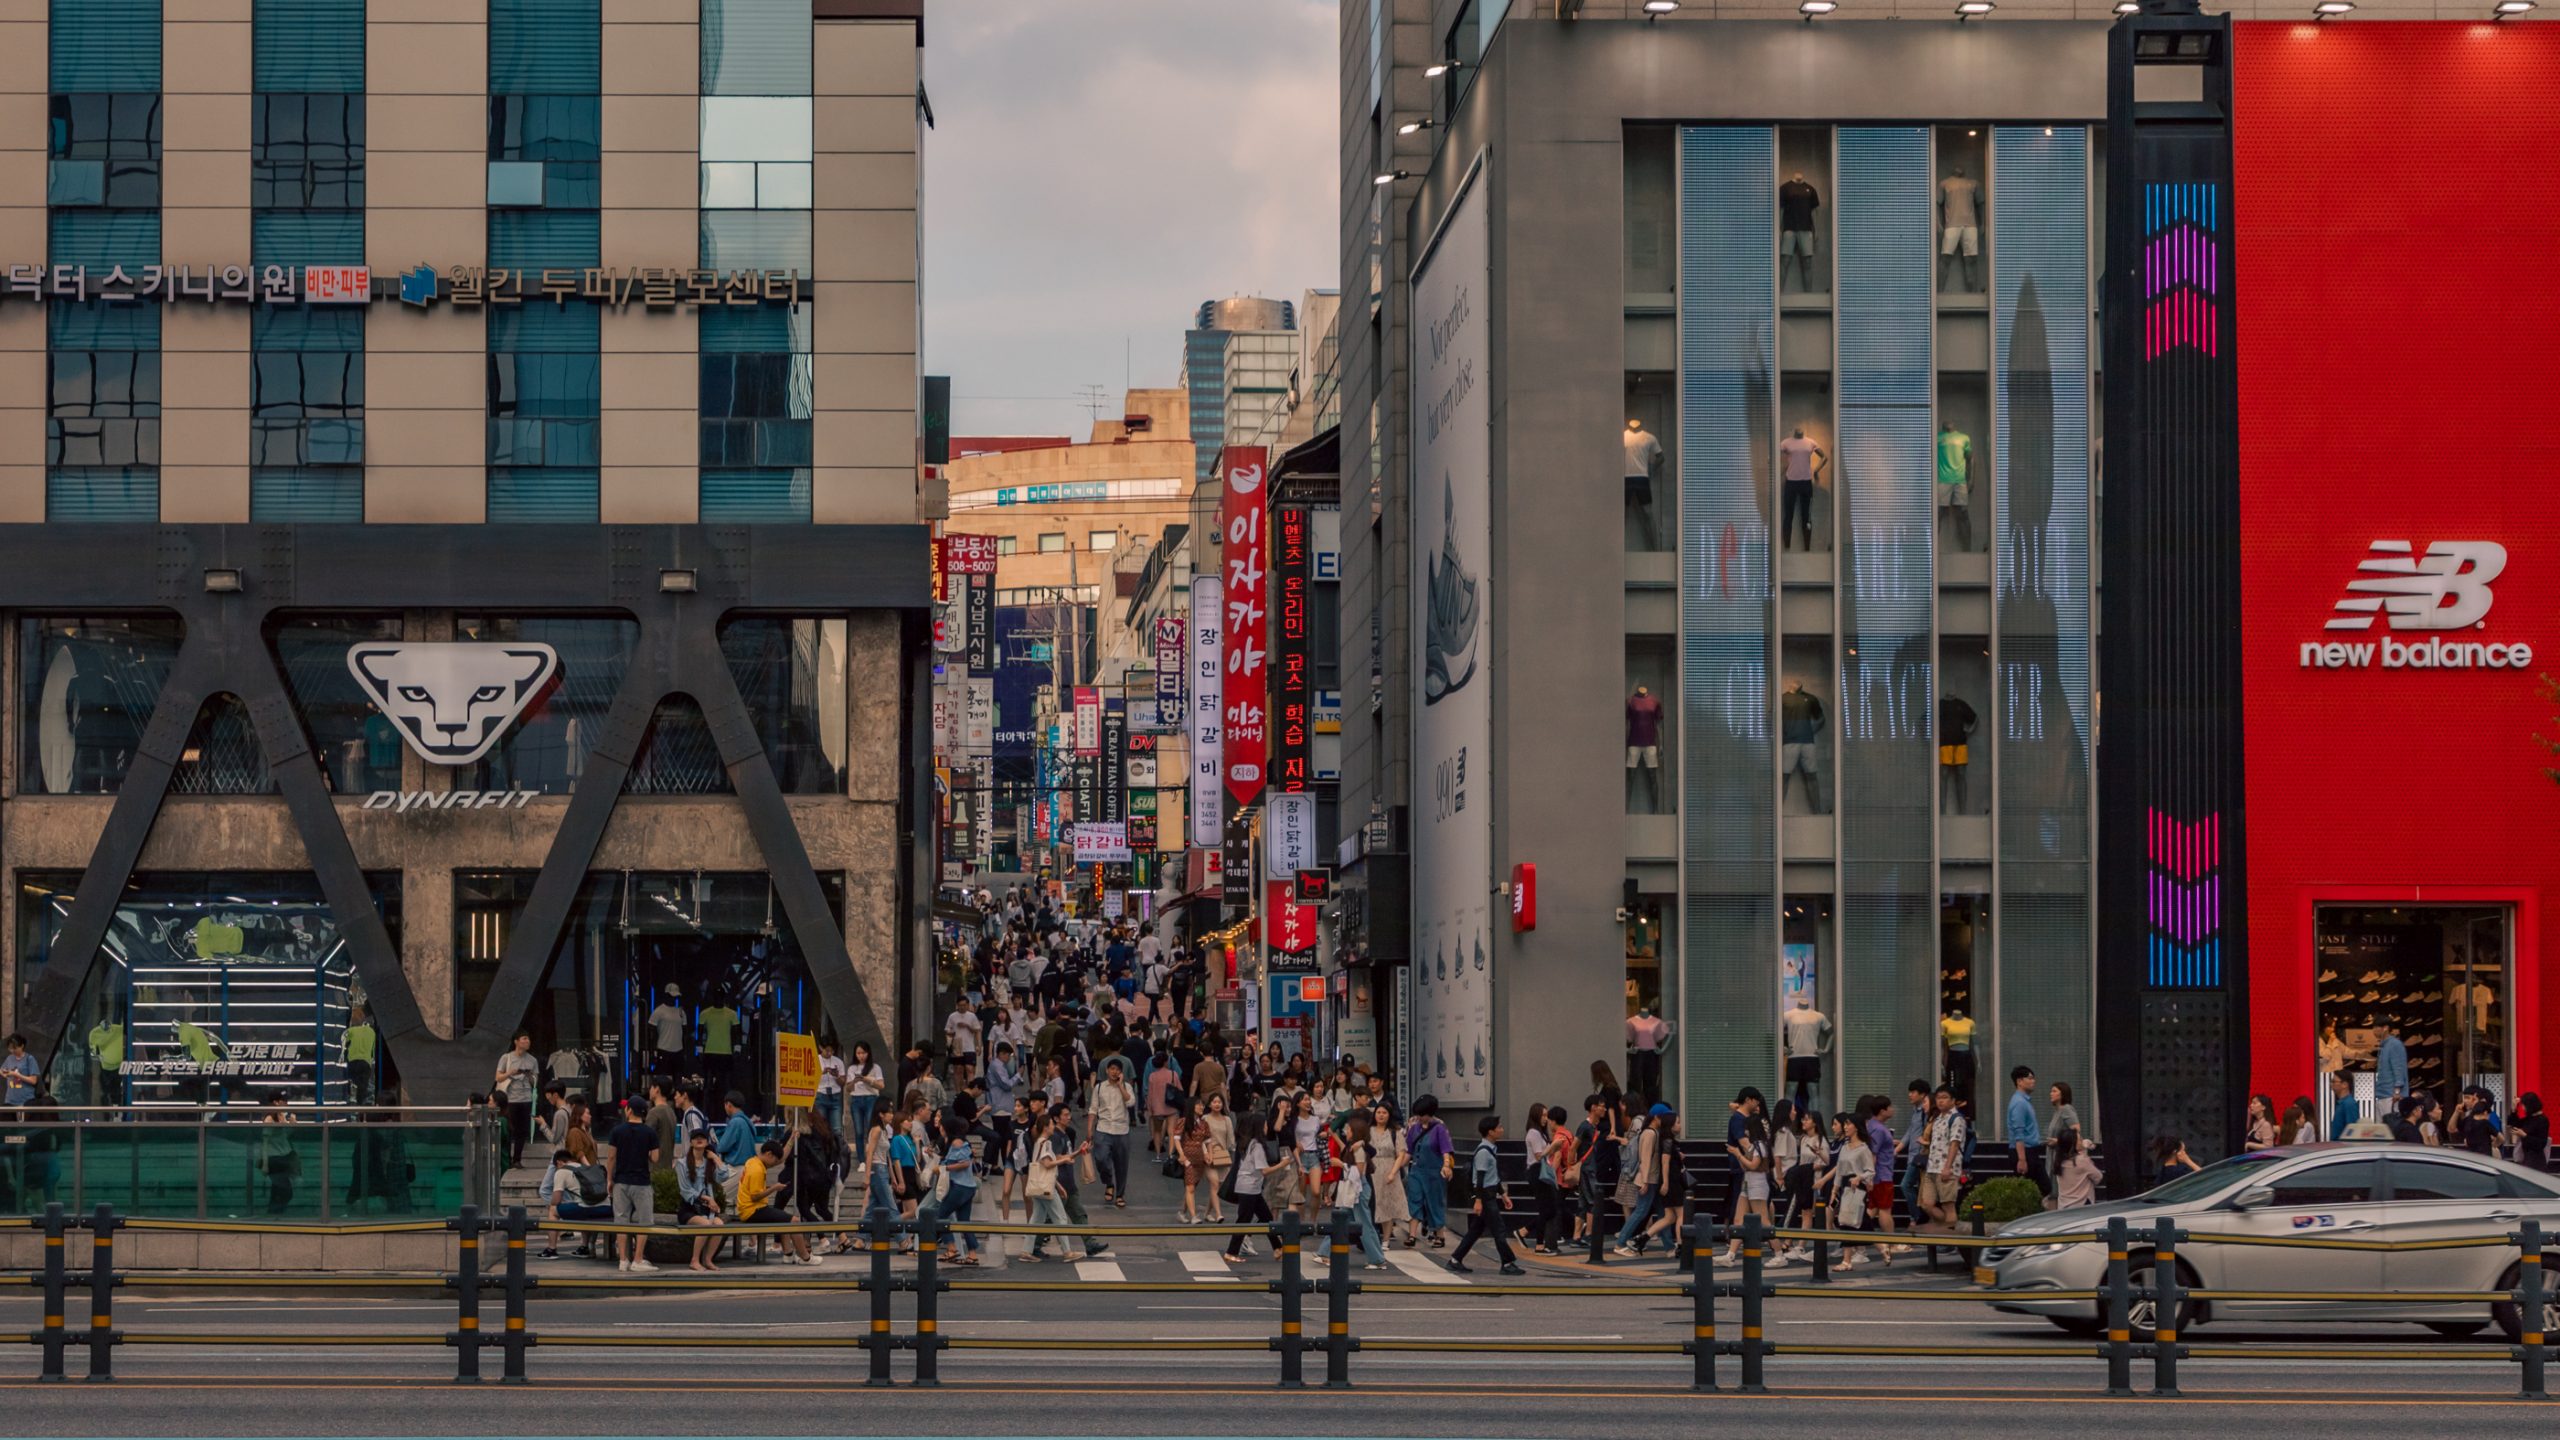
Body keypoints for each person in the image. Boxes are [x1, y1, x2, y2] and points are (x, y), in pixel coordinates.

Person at [1448, 1114, 1524, 1276]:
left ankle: (1455, 1259)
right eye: (1499, 1127)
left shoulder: (1490, 1149)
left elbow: (1492, 1177)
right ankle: (1508, 1262)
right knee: (1499, 1230)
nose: (1501, 1129)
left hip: (1489, 1194)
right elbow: (1480, 1179)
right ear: (1490, 1132)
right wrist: (1479, 1200)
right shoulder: (1484, 1152)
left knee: (1475, 1230)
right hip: (1485, 1196)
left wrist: (1503, 1195)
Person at [602, 1099, 662, 1273]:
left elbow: (611, 1157)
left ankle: (623, 1259)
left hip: (621, 1181)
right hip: (642, 1182)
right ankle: (638, 1258)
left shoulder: (617, 1131)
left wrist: (609, 1179)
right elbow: (655, 1158)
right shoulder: (650, 1133)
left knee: (621, 1220)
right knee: (645, 1221)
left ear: (628, 1110)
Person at [738, 1140, 810, 1264]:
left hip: (749, 1209)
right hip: (752, 1211)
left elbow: (781, 1159)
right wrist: (774, 1188)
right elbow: (755, 1197)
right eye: (775, 1160)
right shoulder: (757, 1169)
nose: (776, 1163)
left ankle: (788, 1254)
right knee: (794, 1220)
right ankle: (806, 1257)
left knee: (782, 1217)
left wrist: (792, 1139)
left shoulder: (753, 1161)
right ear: (769, 1154)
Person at [673, 1130, 733, 1272]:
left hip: (707, 1209)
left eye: (702, 1138)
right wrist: (707, 1198)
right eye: (695, 1138)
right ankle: (694, 1260)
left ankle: (707, 1260)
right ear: (691, 1142)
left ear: (707, 1142)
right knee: (705, 1225)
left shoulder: (709, 1163)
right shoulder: (682, 1163)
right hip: (689, 1209)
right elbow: (685, 1191)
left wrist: (715, 1158)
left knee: (719, 1225)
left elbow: (724, 1175)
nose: (699, 1140)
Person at [543, 1144, 613, 1259]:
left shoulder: (561, 1172)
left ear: (559, 1162)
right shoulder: (583, 1167)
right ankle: (584, 1247)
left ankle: (551, 1249)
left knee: (553, 1210)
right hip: (605, 1207)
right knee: (581, 1206)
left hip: (586, 1209)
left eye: (556, 1166)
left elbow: (556, 1200)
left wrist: (554, 1203)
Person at [1613, 1107, 1667, 1257]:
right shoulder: (1650, 1133)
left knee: (1663, 1214)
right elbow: (1645, 1159)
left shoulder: (1652, 1132)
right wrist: (1644, 1181)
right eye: (1664, 1117)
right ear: (1656, 1117)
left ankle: (1669, 1246)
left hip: (1651, 1179)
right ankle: (1620, 1243)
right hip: (1648, 1180)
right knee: (1641, 1212)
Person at [1223, 1114, 1274, 1264]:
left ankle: (1278, 1248)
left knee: (1267, 1218)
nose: (1267, 1127)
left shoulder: (1250, 1142)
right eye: (1265, 1124)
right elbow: (1264, 1170)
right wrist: (1283, 1165)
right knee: (1244, 1220)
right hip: (1249, 1187)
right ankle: (1231, 1252)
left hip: (1251, 1187)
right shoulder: (1256, 1145)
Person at [1404, 1096, 1453, 1247]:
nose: (1419, 1117)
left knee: (1434, 1202)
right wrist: (1396, 1168)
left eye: (1422, 1114)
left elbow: (1446, 1150)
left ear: (1430, 1113)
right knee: (1414, 1200)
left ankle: (1439, 1234)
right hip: (1417, 1170)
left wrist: (1446, 1166)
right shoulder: (1414, 1129)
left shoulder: (1439, 1128)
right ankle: (1412, 1235)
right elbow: (1408, 1151)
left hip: (1434, 1172)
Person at [1918, 1086, 1967, 1230]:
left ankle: (1949, 1238)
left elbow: (1955, 1143)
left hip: (1947, 1168)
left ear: (1953, 1100)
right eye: (1938, 1098)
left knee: (1948, 1205)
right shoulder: (1938, 1119)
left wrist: (1947, 1167)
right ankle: (1948, 1229)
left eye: (1945, 1098)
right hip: (1932, 1167)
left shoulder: (1957, 1119)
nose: (1940, 1101)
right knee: (1926, 1203)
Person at [1091, 1057, 1136, 1206]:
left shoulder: (1127, 1087)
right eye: (1112, 1069)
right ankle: (1109, 1182)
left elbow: (1130, 1103)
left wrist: (1121, 1085)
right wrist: (1089, 1129)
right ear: (1107, 1070)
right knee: (1101, 1158)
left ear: (1121, 1072)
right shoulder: (1099, 1088)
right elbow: (1093, 1109)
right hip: (1103, 1128)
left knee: (1122, 1164)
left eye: (1117, 1070)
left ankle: (1120, 1194)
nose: (1114, 1072)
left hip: (1121, 1129)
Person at [493, 1033, 540, 1168]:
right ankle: (506, 1158)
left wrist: (529, 1075)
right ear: (516, 1041)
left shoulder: (532, 1060)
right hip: (510, 1098)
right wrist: (510, 1073)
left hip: (526, 1097)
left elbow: (536, 1081)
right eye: (524, 1039)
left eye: (528, 1038)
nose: (527, 1041)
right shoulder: (506, 1057)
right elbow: (498, 1077)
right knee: (509, 1130)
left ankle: (517, 1159)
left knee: (522, 1130)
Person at [939, 1124, 983, 1266]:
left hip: (960, 1187)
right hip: (968, 1187)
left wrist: (945, 1167)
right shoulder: (956, 1143)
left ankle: (951, 1248)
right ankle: (972, 1254)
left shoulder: (956, 1142)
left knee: (941, 1216)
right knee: (964, 1221)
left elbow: (964, 1163)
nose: (940, 1128)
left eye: (942, 1125)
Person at [257, 1092, 301, 1215]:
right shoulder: (270, 1118)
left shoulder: (282, 1116)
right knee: (285, 1191)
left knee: (277, 1190)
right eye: (284, 1101)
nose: (286, 1103)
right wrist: (265, 1164)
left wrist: (292, 1124)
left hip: (284, 1157)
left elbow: (285, 1136)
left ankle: (273, 1215)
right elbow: (265, 1142)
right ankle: (274, 1213)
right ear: (276, 1102)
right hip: (273, 1159)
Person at [2006, 1066, 2046, 1193]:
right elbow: (2019, 1133)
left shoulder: (2024, 1101)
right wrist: (2022, 1160)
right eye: (2029, 1078)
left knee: (2038, 1190)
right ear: (2019, 1081)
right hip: (2025, 1152)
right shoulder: (2019, 1103)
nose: (2033, 1081)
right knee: (2041, 1188)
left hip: (2030, 1151)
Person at [845, 1041, 887, 1154]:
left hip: (871, 1099)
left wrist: (867, 1079)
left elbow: (881, 1085)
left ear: (868, 1053)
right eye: (858, 1053)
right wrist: (854, 1081)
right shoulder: (852, 1068)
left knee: (871, 1127)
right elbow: (848, 1089)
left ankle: (872, 1155)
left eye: (863, 1053)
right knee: (858, 1131)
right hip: (856, 1100)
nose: (861, 1056)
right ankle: (861, 1159)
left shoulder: (875, 1067)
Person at [2052, 1126, 2101, 1208]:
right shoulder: (2082, 1160)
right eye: (2080, 1140)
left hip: (2063, 1205)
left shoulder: (2058, 1159)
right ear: (2073, 1144)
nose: (2082, 1141)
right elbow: (2098, 1177)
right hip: (2081, 1205)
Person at [816, 1039, 847, 1138]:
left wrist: (836, 1076)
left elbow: (843, 1082)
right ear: (821, 1048)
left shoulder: (838, 1062)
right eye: (827, 1050)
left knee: (837, 1130)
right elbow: (809, 1080)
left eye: (832, 1051)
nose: (830, 1053)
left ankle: (837, 1151)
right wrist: (821, 1073)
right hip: (820, 1095)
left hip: (835, 1096)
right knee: (820, 1128)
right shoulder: (815, 1060)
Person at [2327, 1071, 2361, 1140]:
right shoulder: (2342, 1103)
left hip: (2342, 1148)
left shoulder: (2349, 1104)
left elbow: (2352, 1132)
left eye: (2334, 1082)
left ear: (2345, 1084)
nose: (2331, 1084)